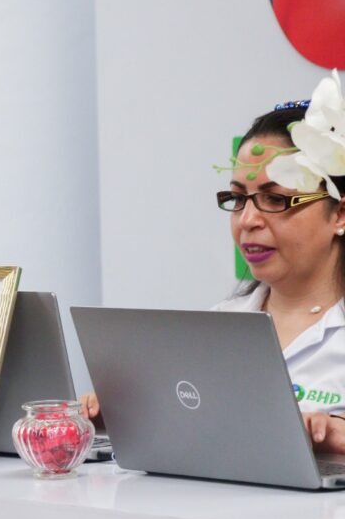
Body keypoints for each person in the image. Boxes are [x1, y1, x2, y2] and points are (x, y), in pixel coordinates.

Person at [82, 71, 345, 453]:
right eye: (237, 199)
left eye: (275, 199)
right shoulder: (218, 326)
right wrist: (127, 417)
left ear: (339, 214)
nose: (248, 220)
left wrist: (335, 435)